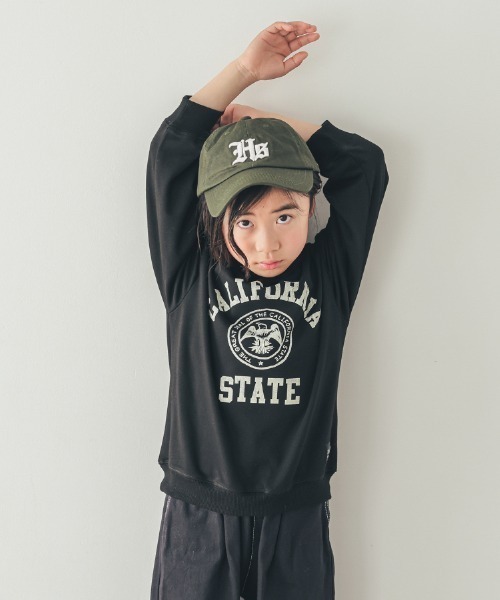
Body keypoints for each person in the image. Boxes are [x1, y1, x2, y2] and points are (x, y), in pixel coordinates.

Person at [146, 20, 389, 600]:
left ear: (310, 206)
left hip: (295, 518)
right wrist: (242, 73)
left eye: (285, 215)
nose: (267, 243)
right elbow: (171, 150)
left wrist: (272, 126)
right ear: (219, 219)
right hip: (198, 515)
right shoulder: (189, 274)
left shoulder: (330, 275)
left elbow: (365, 165)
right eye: (245, 221)